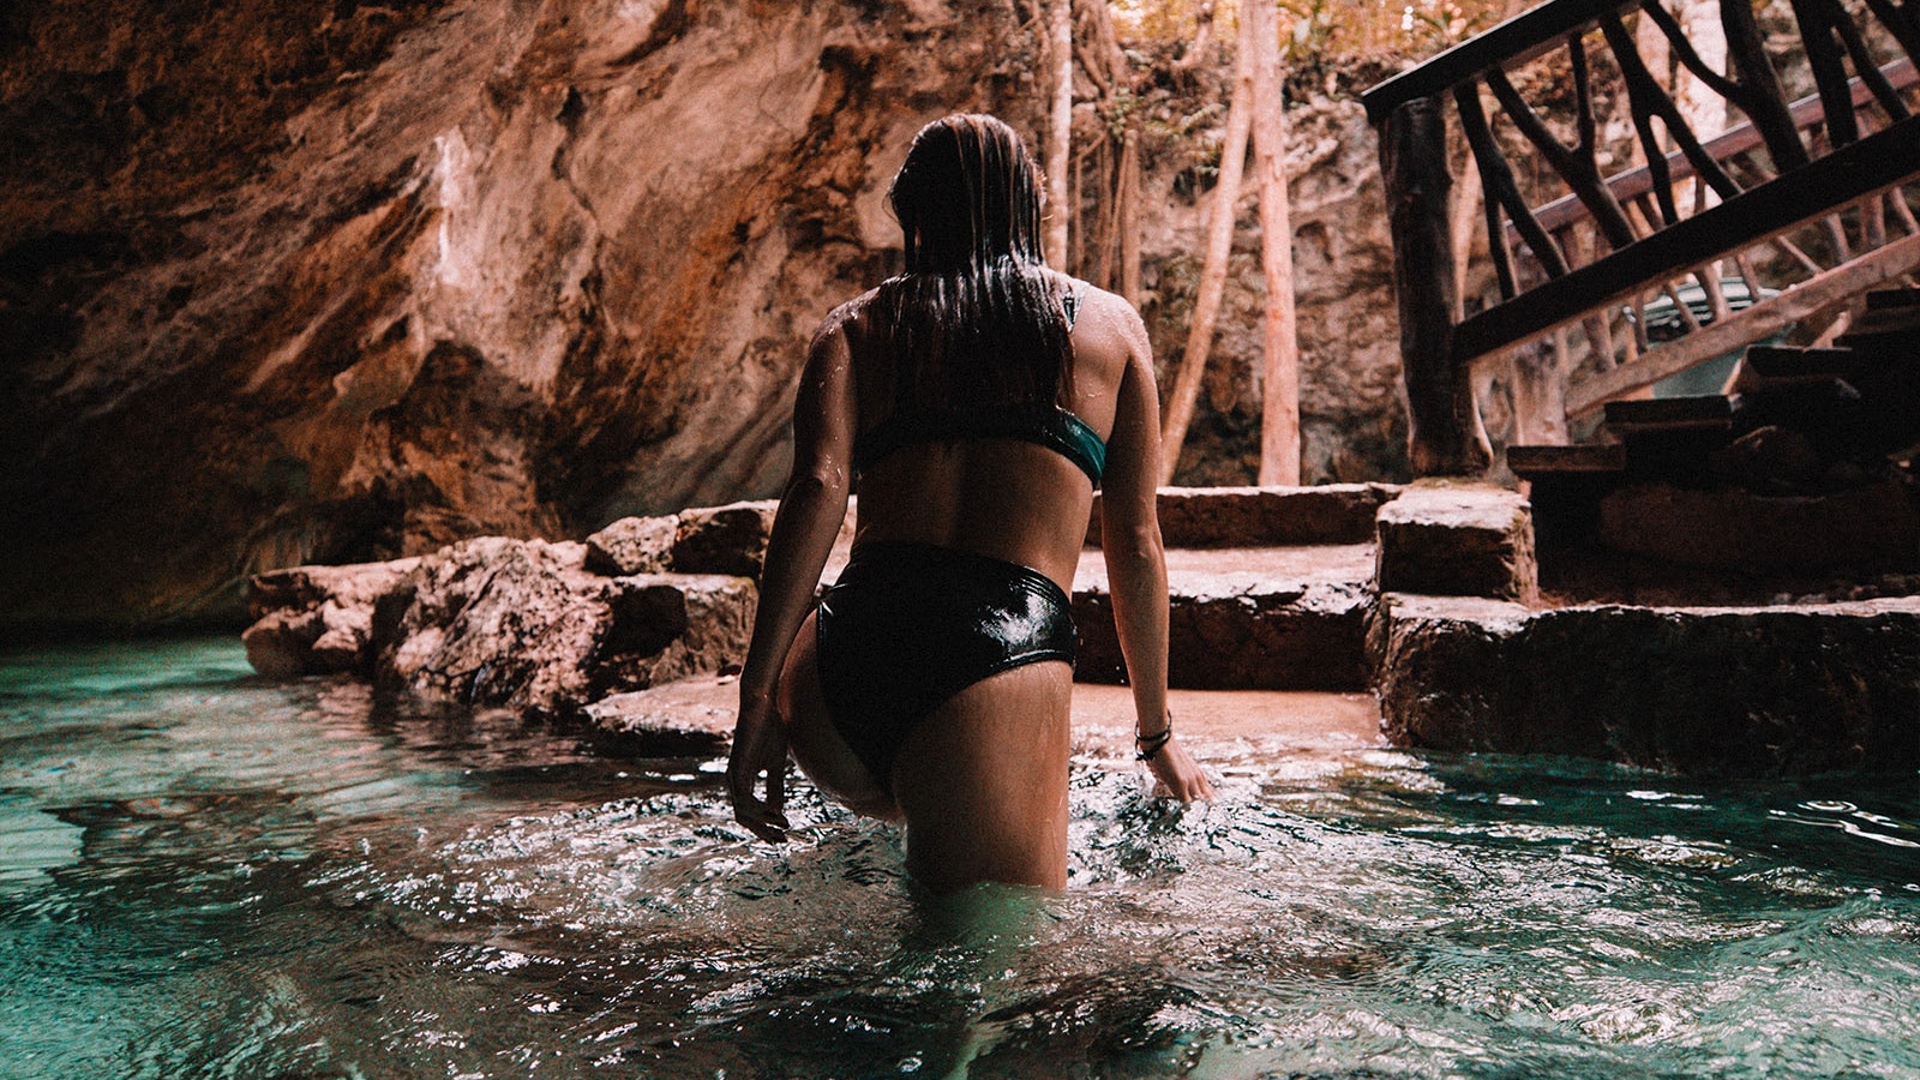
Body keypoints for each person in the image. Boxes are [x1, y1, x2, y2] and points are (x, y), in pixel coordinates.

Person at [726, 113, 1214, 894]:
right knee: (983, 990)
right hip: (993, 662)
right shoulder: (1110, 330)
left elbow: (816, 488)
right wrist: (1155, 735)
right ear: (1033, 208)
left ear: (915, 213)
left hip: (835, 672)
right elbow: (1136, 541)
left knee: (912, 831)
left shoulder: (855, 327)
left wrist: (758, 701)